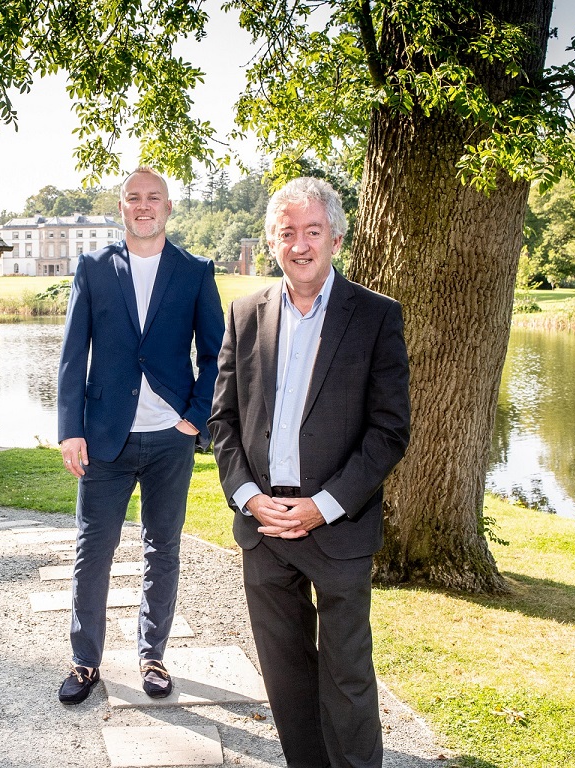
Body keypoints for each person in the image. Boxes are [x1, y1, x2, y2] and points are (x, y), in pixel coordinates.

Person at [208, 177, 411, 768]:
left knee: (347, 682)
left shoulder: (375, 317)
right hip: (265, 528)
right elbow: (222, 420)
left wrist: (326, 504)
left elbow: (388, 430)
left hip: (338, 527)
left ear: (337, 238)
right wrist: (247, 496)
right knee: (288, 684)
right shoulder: (245, 314)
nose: (300, 244)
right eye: (287, 232)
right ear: (273, 241)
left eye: (312, 231)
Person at [56, 167, 225, 704]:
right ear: (122, 207)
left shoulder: (195, 272)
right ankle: (86, 662)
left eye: (154, 197)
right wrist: (69, 431)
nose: (144, 205)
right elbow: (71, 354)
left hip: (170, 439)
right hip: (106, 438)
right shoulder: (93, 267)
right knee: (93, 549)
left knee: (163, 548)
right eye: (134, 198)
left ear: (169, 207)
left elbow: (216, 354)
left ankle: (153, 657)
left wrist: (195, 419)